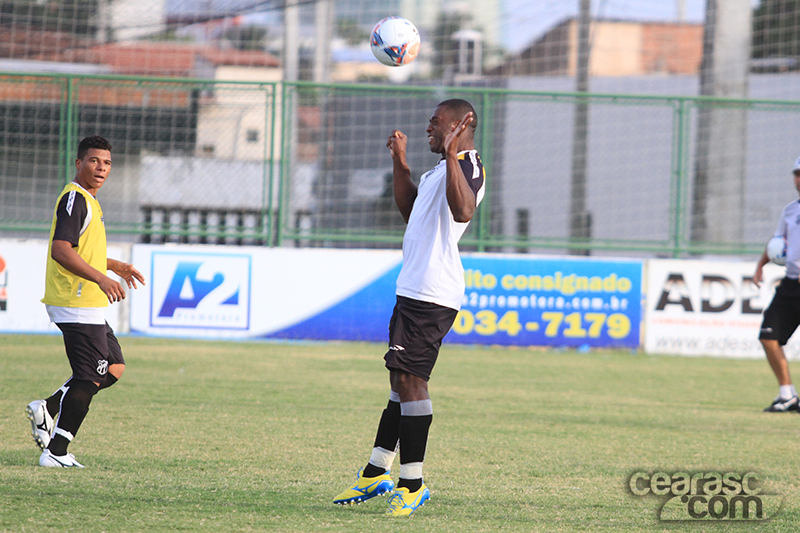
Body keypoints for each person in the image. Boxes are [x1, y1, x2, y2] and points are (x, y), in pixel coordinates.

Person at [333, 99, 485, 516]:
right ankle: (374, 473)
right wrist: (401, 163)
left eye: (436, 123)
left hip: (433, 293)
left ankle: (413, 483)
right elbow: (410, 210)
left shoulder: (468, 164)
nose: (428, 129)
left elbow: (464, 209)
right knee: (400, 381)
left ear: (461, 124)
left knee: (412, 383)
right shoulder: (440, 168)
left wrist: (452, 153)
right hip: (414, 288)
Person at [26, 135, 145, 467]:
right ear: (79, 163)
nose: (101, 168)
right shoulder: (75, 198)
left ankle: (48, 407)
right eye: (94, 161)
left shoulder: (90, 201)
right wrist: (101, 278)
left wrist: (114, 265)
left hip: (87, 302)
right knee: (90, 376)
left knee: (114, 367)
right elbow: (61, 249)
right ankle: (56, 452)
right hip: (74, 300)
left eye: (106, 163)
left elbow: (83, 250)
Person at [754, 155, 800, 412]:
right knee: (768, 336)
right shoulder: (790, 210)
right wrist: (760, 265)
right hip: (790, 286)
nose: (799, 179)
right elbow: (777, 242)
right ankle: (787, 395)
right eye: (797, 173)